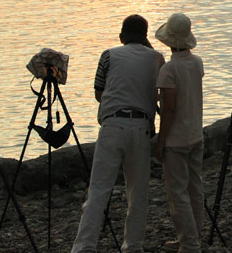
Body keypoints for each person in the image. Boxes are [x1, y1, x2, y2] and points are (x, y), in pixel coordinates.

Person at [71, 15, 164, 253]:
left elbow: (99, 93)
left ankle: (84, 247)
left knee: (99, 191)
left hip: (112, 126)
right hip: (141, 128)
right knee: (138, 192)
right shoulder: (157, 58)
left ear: (121, 35)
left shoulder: (108, 55)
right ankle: (133, 246)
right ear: (145, 36)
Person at [154, 13, 205, 253]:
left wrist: (161, 141)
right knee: (195, 187)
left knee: (177, 193)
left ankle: (189, 244)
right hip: (196, 133)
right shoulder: (197, 63)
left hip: (176, 139)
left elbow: (168, 109)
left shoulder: (168, 70)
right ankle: (193, 236)